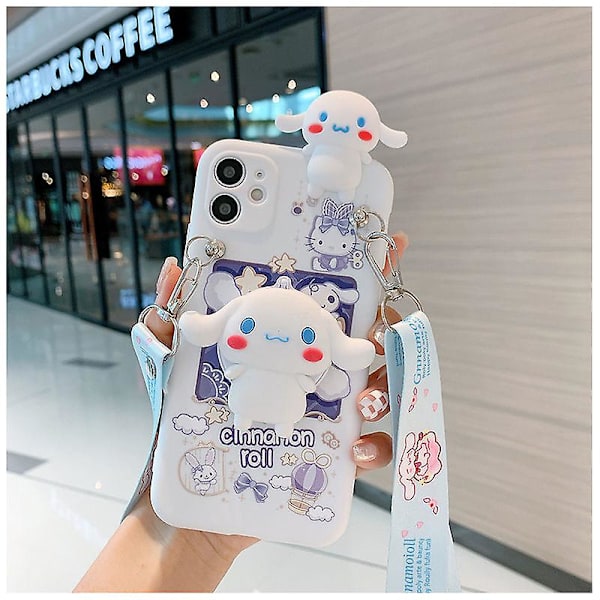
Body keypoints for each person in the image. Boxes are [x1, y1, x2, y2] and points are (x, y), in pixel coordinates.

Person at [74, 234, 407, 593]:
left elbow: (348, 350)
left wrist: (200, 545)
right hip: (248, 405)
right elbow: (207, 327)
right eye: (247, 328)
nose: (278, 341)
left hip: (273, 404)